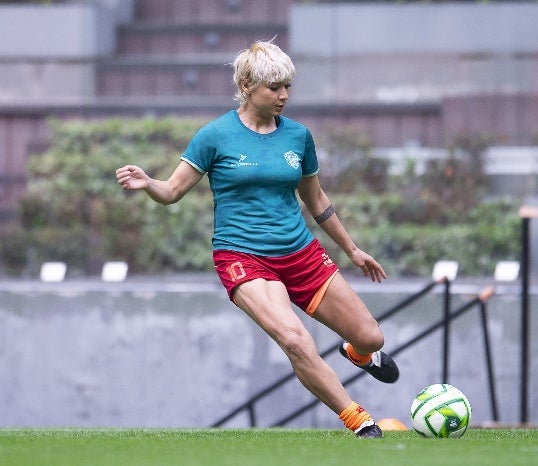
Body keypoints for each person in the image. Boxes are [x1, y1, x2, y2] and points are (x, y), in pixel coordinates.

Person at [115, 39, 399, 438]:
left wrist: (351, 248)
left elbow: (316, 199)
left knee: (372, 336)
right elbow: (172, 192)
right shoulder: (215, 135)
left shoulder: (298, 136)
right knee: (295, 340)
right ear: (247, 85)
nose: (284, 95)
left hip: (300, 251)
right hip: (244, 258)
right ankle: (358, 420)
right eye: (274, 88)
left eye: (288, 87)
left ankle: (358, 353)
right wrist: (148, 183)